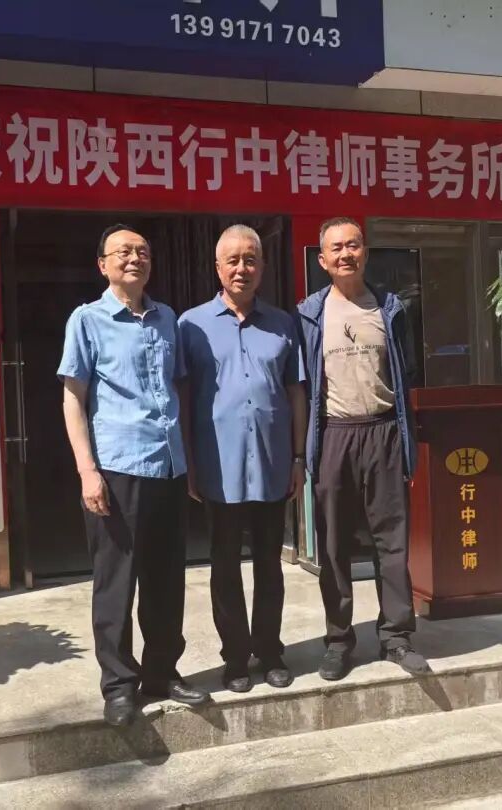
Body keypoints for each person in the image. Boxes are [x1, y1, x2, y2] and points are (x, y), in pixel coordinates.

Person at [58, 223, 209, 727]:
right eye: (123, 251)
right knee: (116, 582)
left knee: (166, 579)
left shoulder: (168, 319)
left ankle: (162, 672)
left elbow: (179, 390)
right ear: (102, 264)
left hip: (168, 465)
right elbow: (73, 398)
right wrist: (87, 470)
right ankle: (119, 685)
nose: (134, 258)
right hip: (117, 467)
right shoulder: (88, 320)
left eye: (142, 251)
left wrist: (189, 461)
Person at [295, 216, 429, 681]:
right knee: (333, 546)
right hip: (335, 433)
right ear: (322, 260)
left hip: (383, 431)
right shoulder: (309, 315)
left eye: (353, 245)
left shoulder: (390, 308)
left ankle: (396, 636)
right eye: (336, 248)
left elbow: (407, 373)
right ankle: (339, 641)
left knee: (392, 542)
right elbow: (302, 385)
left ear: (365, 253)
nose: (345, 254)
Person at [179, 225, 307, 693]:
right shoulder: (191, 325)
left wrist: (298, 457)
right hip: (219, 466)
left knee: (270, 564)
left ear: (262, 267)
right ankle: (235, 658)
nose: (242, 268)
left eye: (250, 259)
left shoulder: (283, 323)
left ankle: (270, 651)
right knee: (225, 565)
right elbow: (183, 397)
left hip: (273, 464)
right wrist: (189, 463)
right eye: (232, 260)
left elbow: (296, 393)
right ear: (217, 268)